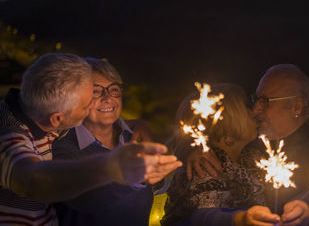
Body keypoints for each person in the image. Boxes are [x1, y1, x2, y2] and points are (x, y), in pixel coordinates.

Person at [0, 53, 182, 225]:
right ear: (57, 118)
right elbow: (34, 181)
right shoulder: (10, 136)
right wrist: (112, 168)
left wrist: (138, 123)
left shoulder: (39, 114)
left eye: (114, 89)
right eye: (87, 105)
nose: (105, 99)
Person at [182, 64, 309, 226]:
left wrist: (307, 207)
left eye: (265, 101)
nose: (256, 109)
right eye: (257, 99)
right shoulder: (256, 142)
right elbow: (211, 131)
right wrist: (195, 148)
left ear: (296, 106)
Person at [53, 57, 155, 225]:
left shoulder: (135, 138)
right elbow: (85, 199)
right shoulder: (63, 148)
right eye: (96, 91)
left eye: (113, 89)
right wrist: (136, 178)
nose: (107, 97)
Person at [162, 83, 268, 226]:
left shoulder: (253, 159)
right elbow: (200, 218)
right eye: (245, 108)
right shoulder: (203, 167)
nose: (253, 112)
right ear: (227, 130)